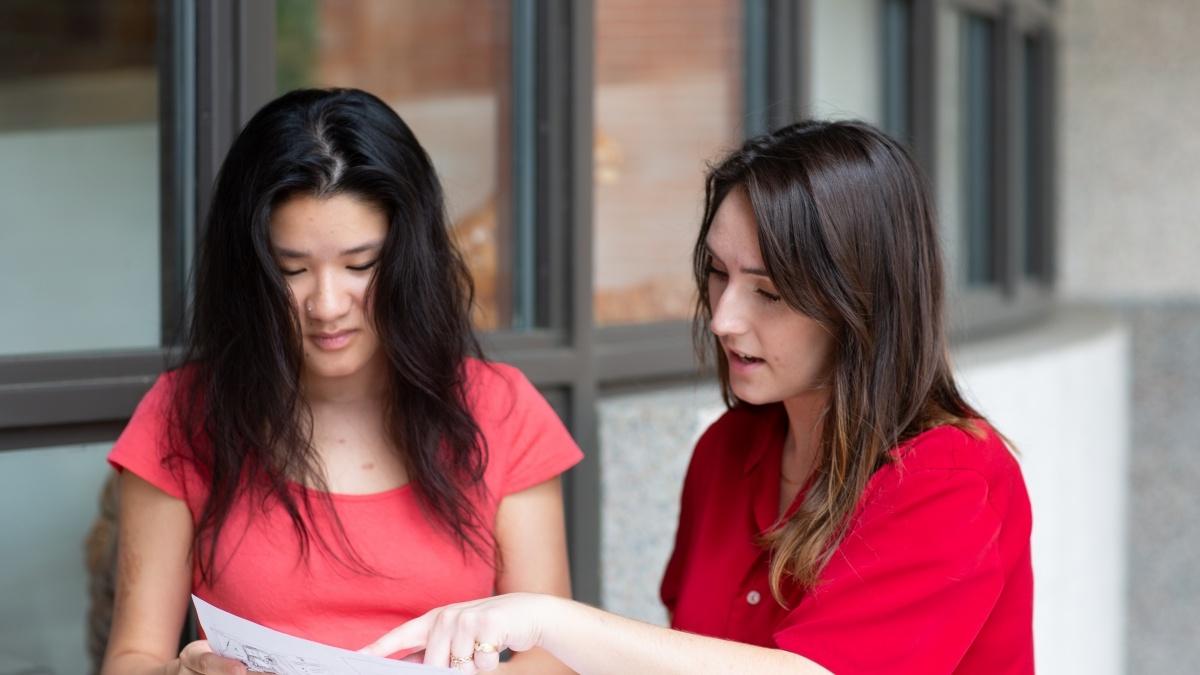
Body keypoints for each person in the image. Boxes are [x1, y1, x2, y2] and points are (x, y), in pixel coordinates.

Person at [362, 120, 1034, 674]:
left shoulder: (952, 474)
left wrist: (547, 618)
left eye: (768, 292)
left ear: (861, 303)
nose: (723, 319)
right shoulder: (728, 450)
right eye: (716, 274)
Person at [100, 88, 581, 675]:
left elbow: (553, 656)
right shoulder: (184, 412)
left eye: (360, 265)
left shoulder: (500, 409)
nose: (326, 305)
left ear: (410, 257)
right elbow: (132, 657)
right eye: (291, 271)